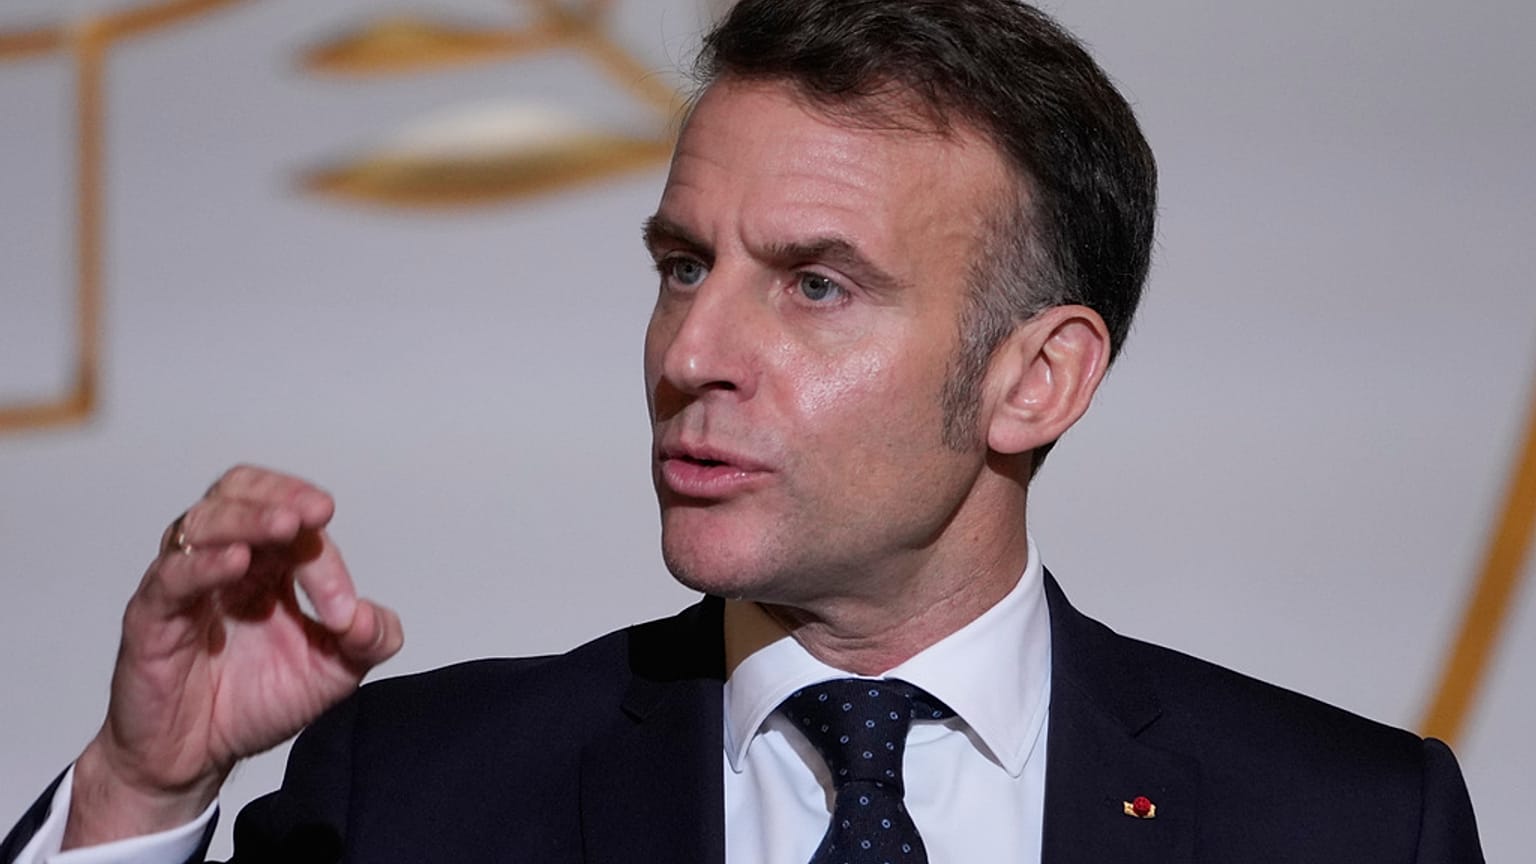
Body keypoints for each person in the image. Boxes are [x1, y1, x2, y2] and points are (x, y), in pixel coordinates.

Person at [4, 1, 1484, 862]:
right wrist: (141, 795)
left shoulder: (1345, 825)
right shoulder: (418, 795)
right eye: (682, 265)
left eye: (817, 285)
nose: (690, 353)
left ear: (1036, 380)